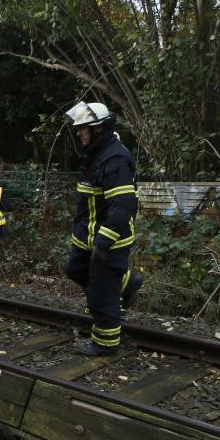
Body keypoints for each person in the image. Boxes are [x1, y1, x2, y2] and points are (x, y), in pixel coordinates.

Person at [63, 101, 144, 356]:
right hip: (86, 239)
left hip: (108, 241)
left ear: (98, 129)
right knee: (75, 269)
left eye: (83, 129)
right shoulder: (97, 155)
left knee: (100, 293)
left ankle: (105, 344)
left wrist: (103, 242)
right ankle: (125, 283)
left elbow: (122, 207)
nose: (79, 133)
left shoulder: (115, 160)